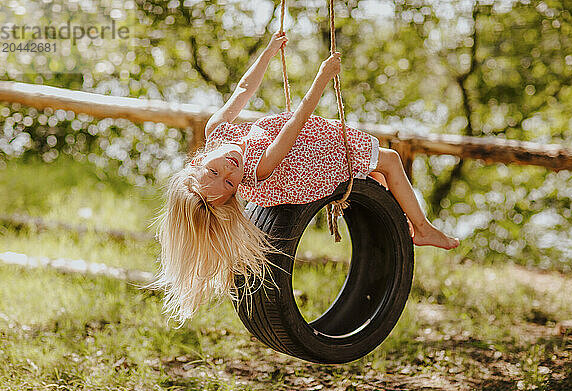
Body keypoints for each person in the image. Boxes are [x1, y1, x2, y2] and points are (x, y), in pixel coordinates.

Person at [154, 31, 459, 322]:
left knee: (377, 177)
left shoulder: (216, 131)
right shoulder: (258, 168)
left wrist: (269, 52)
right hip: (310, 162)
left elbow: (244, 89)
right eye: (231, 184)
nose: (230, 170)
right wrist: (322, 78)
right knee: (390, 161)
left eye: (215, 170)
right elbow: (294, 126)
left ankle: (400, 218)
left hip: (304, 145)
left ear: (197, 161)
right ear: (236, 193)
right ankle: (422, 228)